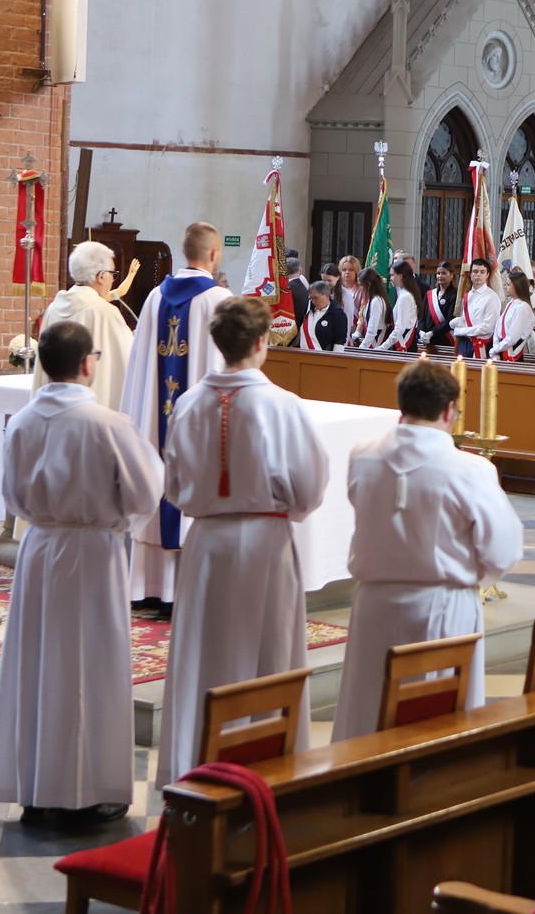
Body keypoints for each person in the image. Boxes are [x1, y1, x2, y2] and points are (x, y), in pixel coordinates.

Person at [0, 321, 163, 828]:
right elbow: (147, 491)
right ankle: (88, 791)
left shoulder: (23, 421)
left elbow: (11, 494)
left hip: (40, 548)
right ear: (88, 363)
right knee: (91, 667)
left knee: (39, 664)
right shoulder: (107, 423)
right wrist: (117, 521)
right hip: (93, 552)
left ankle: (37, 788)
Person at [154, 297, 328, 786]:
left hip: (207, 543)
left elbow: (174, 485)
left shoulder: (189, 403)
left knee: (204, 653)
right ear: (261, 342)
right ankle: (267, 768)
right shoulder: (282, 405)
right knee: (270, 653)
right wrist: (285, 509)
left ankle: (197, 762)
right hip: (266, 541)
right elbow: (310, 484)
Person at [331, 360, 524, 740]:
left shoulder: (363, 456)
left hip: (374, 605)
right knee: (435, 722)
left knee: (369, 710)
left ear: (401, 403)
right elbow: (503, 549)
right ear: (450, 410)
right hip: (444, 607)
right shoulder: (471, 469)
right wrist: (471, 577)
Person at [118, 221, 234, 614]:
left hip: (155, 423)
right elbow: (225, 367)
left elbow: (138, 368)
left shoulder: (155, 296)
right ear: (214, 254)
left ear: (185, 252)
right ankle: (179, 591)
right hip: (195, 427)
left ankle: (145, 586)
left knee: (157, 485)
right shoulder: (219, 300)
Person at [31, 241, 133, 410]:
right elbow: (130, 360)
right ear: (101, 276)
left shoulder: (53, 308)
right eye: (113, 274)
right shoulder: (104, 311)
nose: (112, 280)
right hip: (89, 413)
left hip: (53, 408)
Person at [449, 257, 501, 358]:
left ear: (487, 275)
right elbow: (465, 319)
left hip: (480, 345)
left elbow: (487, 328)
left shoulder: (492, 297)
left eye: (482, 272)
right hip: (464, 343)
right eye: (475, 271)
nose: (478, 275)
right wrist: (457, 322)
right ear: (470, 274)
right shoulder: (467, 295)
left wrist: (461, 331)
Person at [378, 260, 426, 351]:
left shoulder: (405, 296)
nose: (391, 278)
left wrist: (383, 347)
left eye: (393, 275)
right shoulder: (404, 294)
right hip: (402, 341)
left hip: (404, 343)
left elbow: (400, 328)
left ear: (400, 276)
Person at [491, 269, 535, 361]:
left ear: (517, 286)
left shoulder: (522, 308)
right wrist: (496, 347)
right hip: (501, 351)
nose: (505, 287)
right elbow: (498, 326)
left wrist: (495, 349)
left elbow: (512, 338)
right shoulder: (511, 303)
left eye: (508, 285)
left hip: (511, 355)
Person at [419, 260, 459, 349]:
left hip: (444, 340)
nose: (440, 276)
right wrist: (421, 331)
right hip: (426, 340)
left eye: (444, 273)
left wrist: (432, 332)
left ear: (452, 275)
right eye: (438, 273)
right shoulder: (429, 294)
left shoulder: (455, 295)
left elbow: (451, 319)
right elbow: (422, 316)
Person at [298, 280, 348, 351]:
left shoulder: (338, 314)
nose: (313, 301)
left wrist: (336, 357)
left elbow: (339, 341)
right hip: (303, 354)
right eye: (311, 298)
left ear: (326, 295)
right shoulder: (308, 311)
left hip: (324, 356)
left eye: (316, 298)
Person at [353, 267, 393, 348]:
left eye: (361, 285)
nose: (360, 288)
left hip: (375, 343)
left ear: (368, 284)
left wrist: (362, 347)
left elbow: (372, 330)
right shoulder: (374, 299)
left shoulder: (376, 301)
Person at [338, 255, 364, 333]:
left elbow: (362, 315)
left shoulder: (362, 290)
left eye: (351, 270)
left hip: (355, 331)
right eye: (344, 270)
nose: (347, 272)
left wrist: (357, 333)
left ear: (356, 272)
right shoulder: (337, 289)